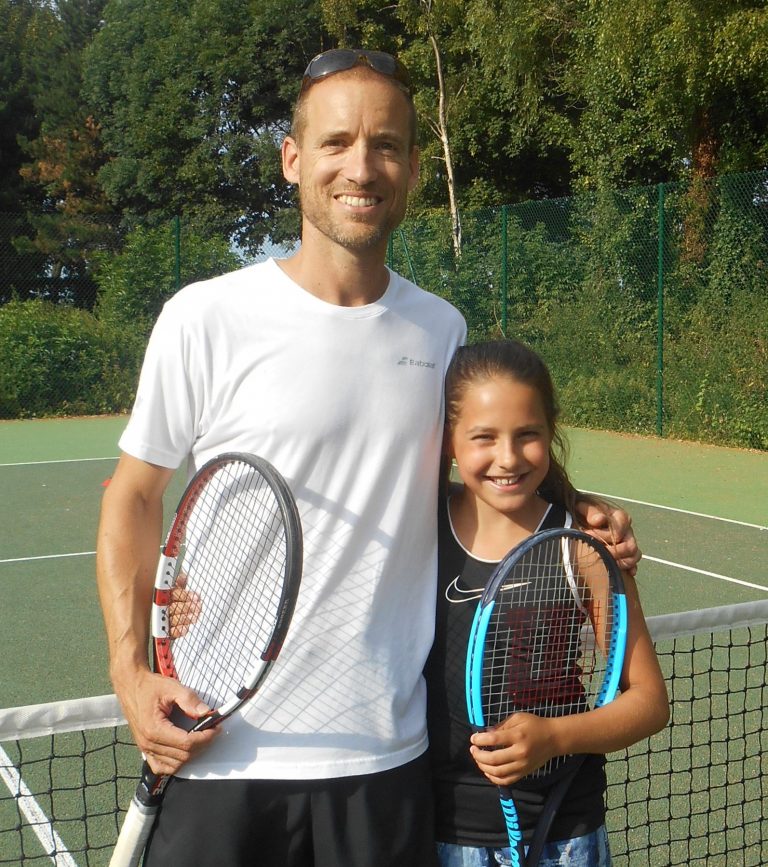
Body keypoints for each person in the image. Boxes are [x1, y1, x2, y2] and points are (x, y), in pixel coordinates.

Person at [96, 49, 640, 867]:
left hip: (386, 762)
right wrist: (130, 672)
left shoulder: (441, 330)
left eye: (385, 144)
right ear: (292, 159)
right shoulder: (204, 317)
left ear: (414, 168)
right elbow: (132, 497)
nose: (362, 165)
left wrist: (576, 505)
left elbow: (479, 470)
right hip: (218, 749)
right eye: (336, 141)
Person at [425, 339, 669, 867]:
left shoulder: (584, 549)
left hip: (563, 832)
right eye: (483, 437)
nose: (507, 458)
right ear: (449, 441)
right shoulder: (416, 526)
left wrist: (554, 737)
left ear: (551, 432)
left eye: (527, 435)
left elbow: (649, 700)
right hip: (433, 826)